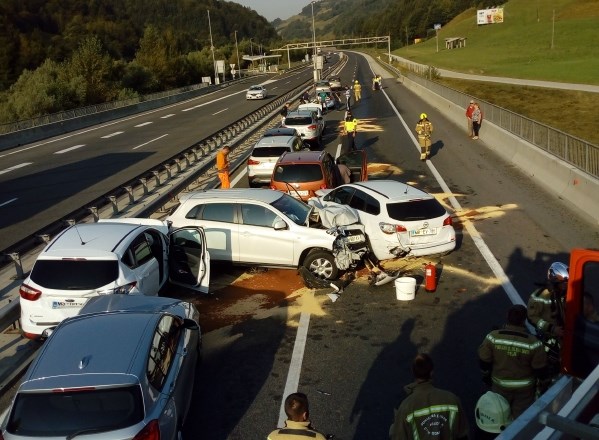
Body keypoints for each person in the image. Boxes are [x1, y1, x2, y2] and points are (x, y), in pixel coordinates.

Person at [478, 304, 549, 419]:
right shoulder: (534, 343)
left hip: (500, 386)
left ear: (507, 316)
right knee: (520, 420)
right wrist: (543, 387)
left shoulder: (493, 337)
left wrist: (486, 378)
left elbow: (484, 361)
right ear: (524, 319)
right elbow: (541, 370)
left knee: (498, 415)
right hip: (524, 391)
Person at [389, 353, 469, 440]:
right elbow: (463, 434)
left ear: (413, 372)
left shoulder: (405, 407)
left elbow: (397, 436)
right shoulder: (452, 400)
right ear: (431, 372)